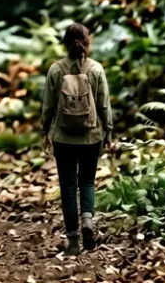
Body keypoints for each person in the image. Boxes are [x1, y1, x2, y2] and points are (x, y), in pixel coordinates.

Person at [41, 22, 113, 255]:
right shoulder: (96, 69)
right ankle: (88, 223)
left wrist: (45, 130)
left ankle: (73, 242)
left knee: (68, 187)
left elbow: (48, 105)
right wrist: (108, 130)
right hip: (91, 135)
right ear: (87, 43)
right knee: (88, 182)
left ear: (64, 44)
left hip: (63, 137)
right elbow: (103, 104)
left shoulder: (55, 70)